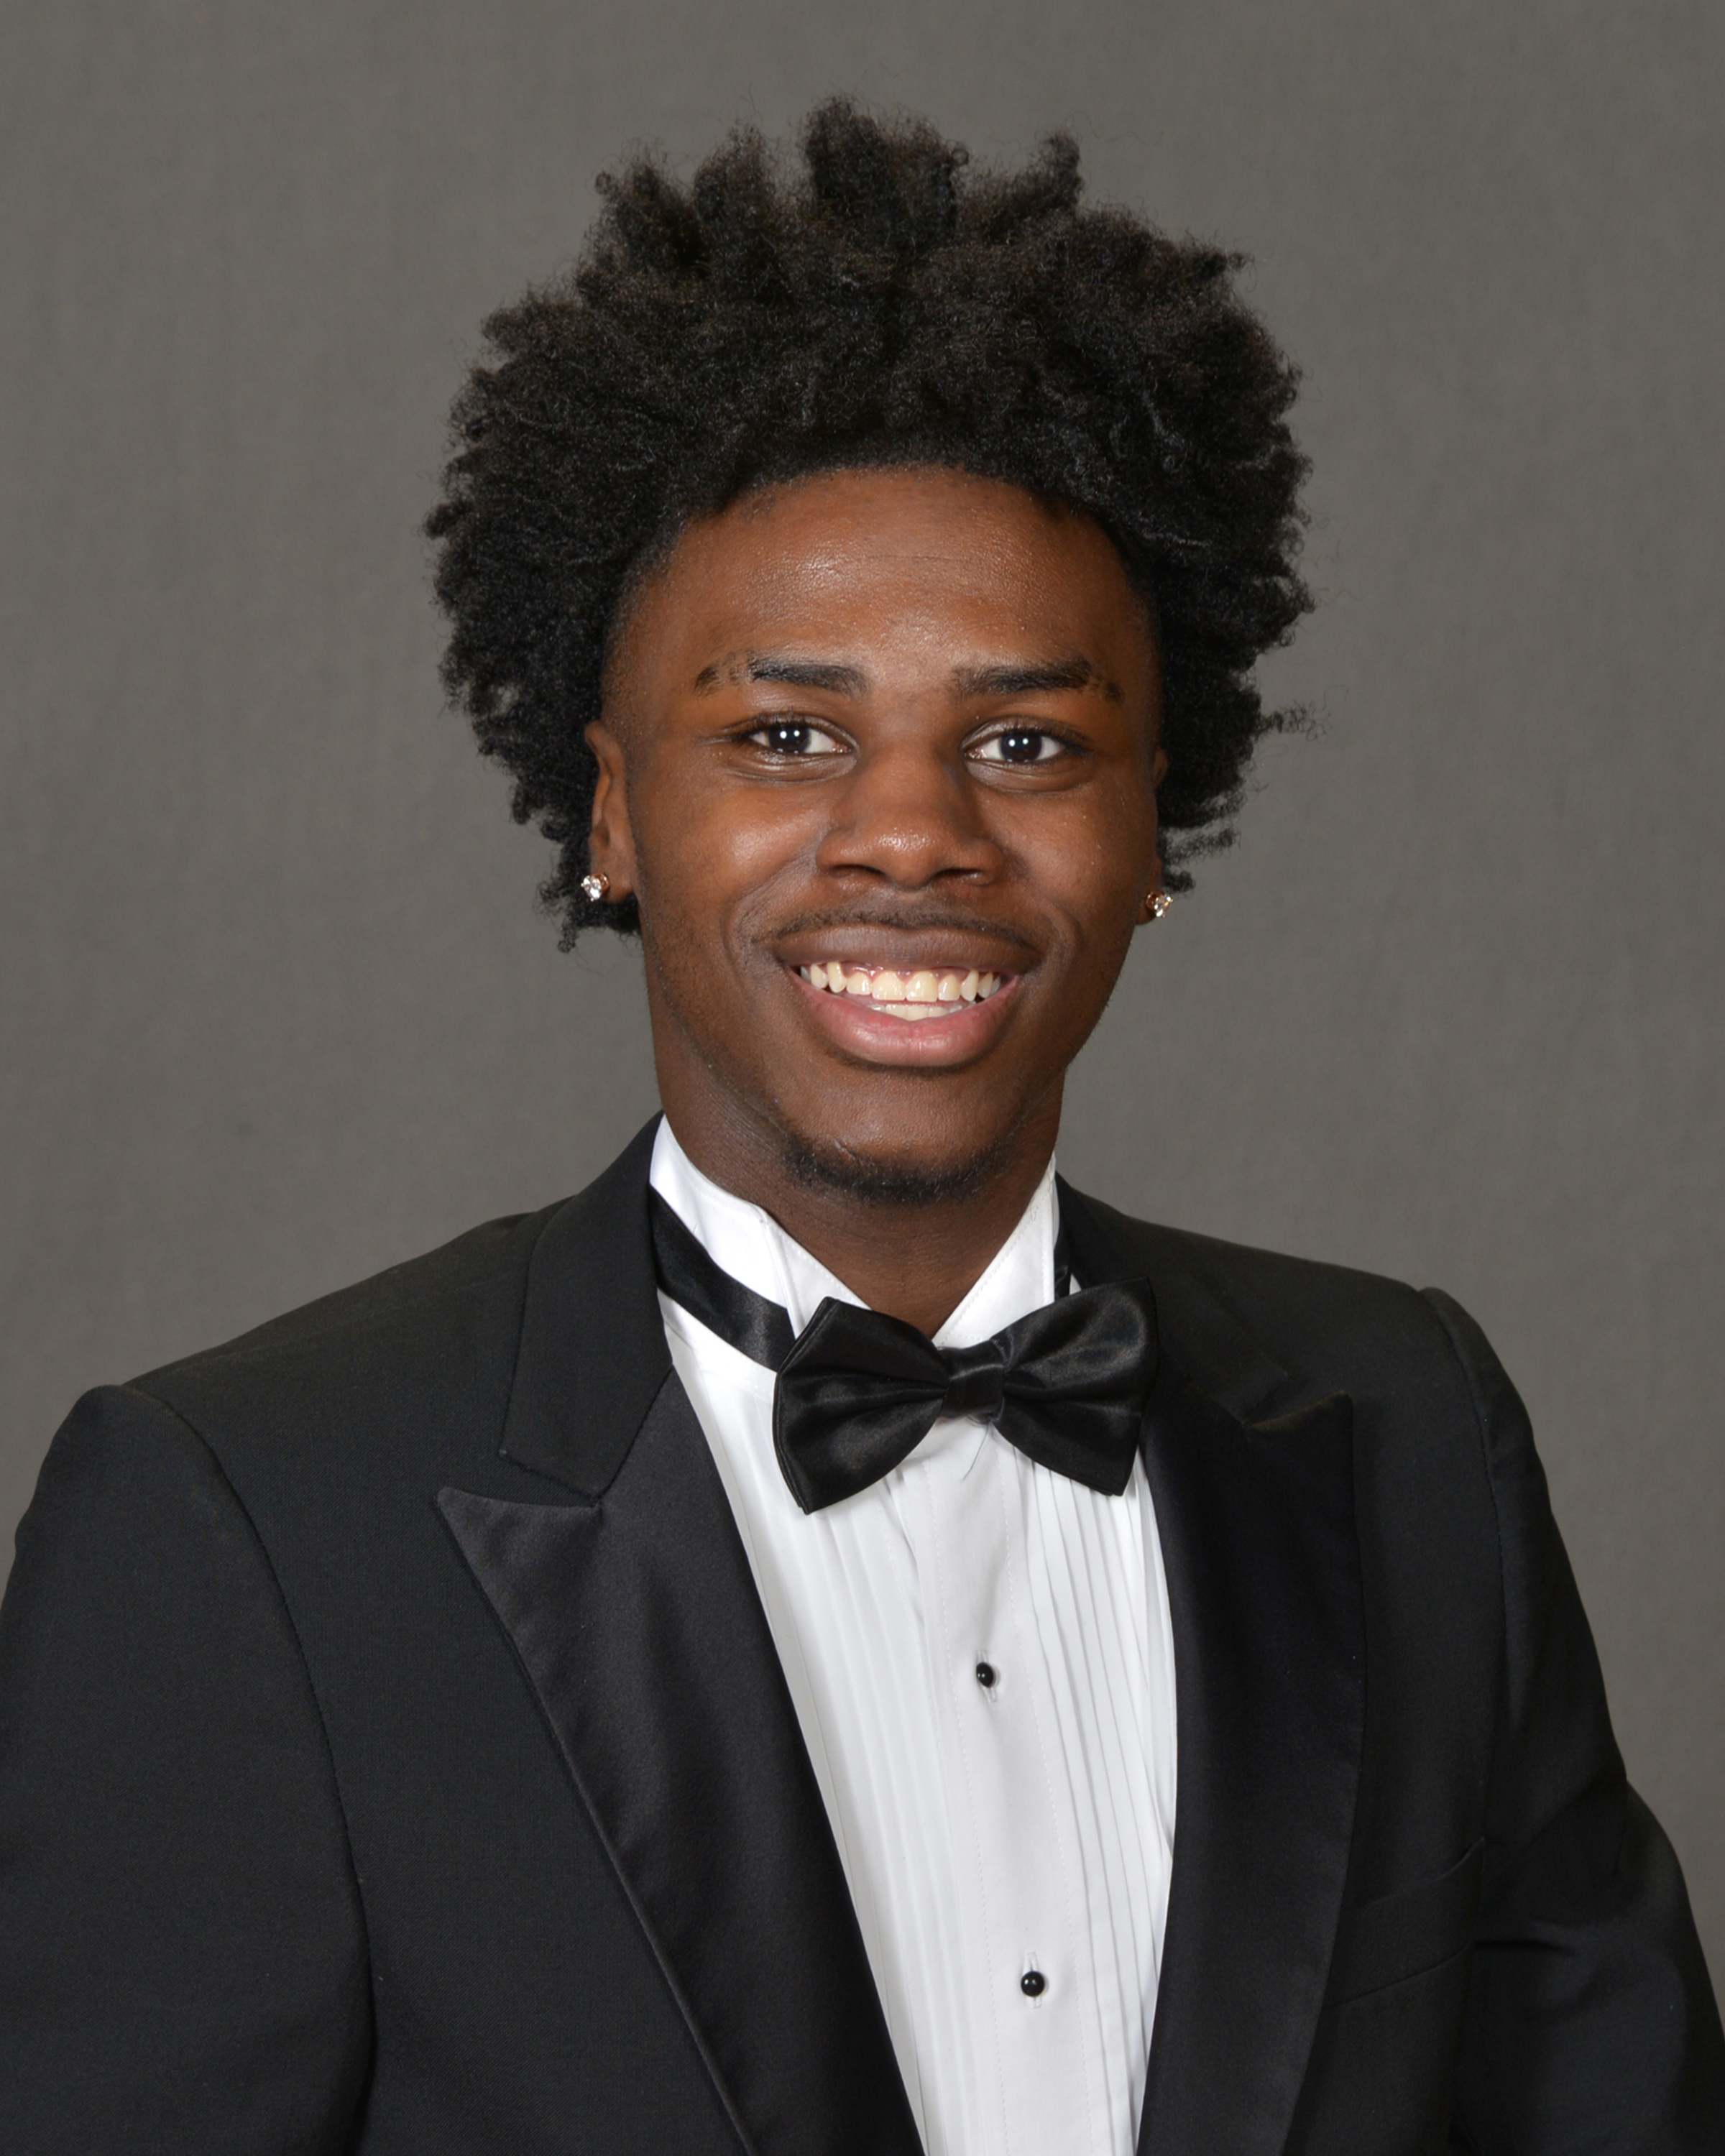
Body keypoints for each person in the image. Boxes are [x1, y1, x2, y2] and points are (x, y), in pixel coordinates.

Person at [1, 100, 1719, 2156]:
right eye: (789, 732)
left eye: (1027, 739)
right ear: (616, 811)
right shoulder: (247, 1522)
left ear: (1152, 827)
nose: (914, 834)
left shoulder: (1416, 1430)